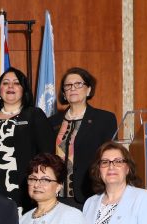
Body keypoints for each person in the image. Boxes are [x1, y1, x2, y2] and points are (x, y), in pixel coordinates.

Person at [0, 68, 54, 211]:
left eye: (16, 83)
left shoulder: (34, 115)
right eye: (5, 83)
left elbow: (48, 156)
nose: (10, 86)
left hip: (23, 190)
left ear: (23, 90)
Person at [49, 68, 118, 204]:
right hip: (56, 194)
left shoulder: (104, 119)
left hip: (89, 193)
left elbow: (111, 156)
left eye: (78, 84)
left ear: (88, 90)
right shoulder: (52, 122)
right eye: (68, 85)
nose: (73, 88)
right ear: (64, 93)